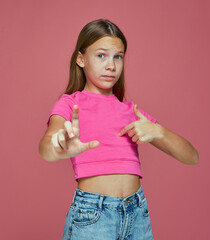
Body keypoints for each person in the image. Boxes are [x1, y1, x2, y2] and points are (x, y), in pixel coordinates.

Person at [38, 19, 199, 240]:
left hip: (137, 215)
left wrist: (158, 131)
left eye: (118, 56)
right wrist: (58, 146)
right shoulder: (70, 104)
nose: (111, 65)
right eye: (101, 55)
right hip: (93, 217)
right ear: (81, 59)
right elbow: (46, 146)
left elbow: (192, 156)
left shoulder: (131, 111)